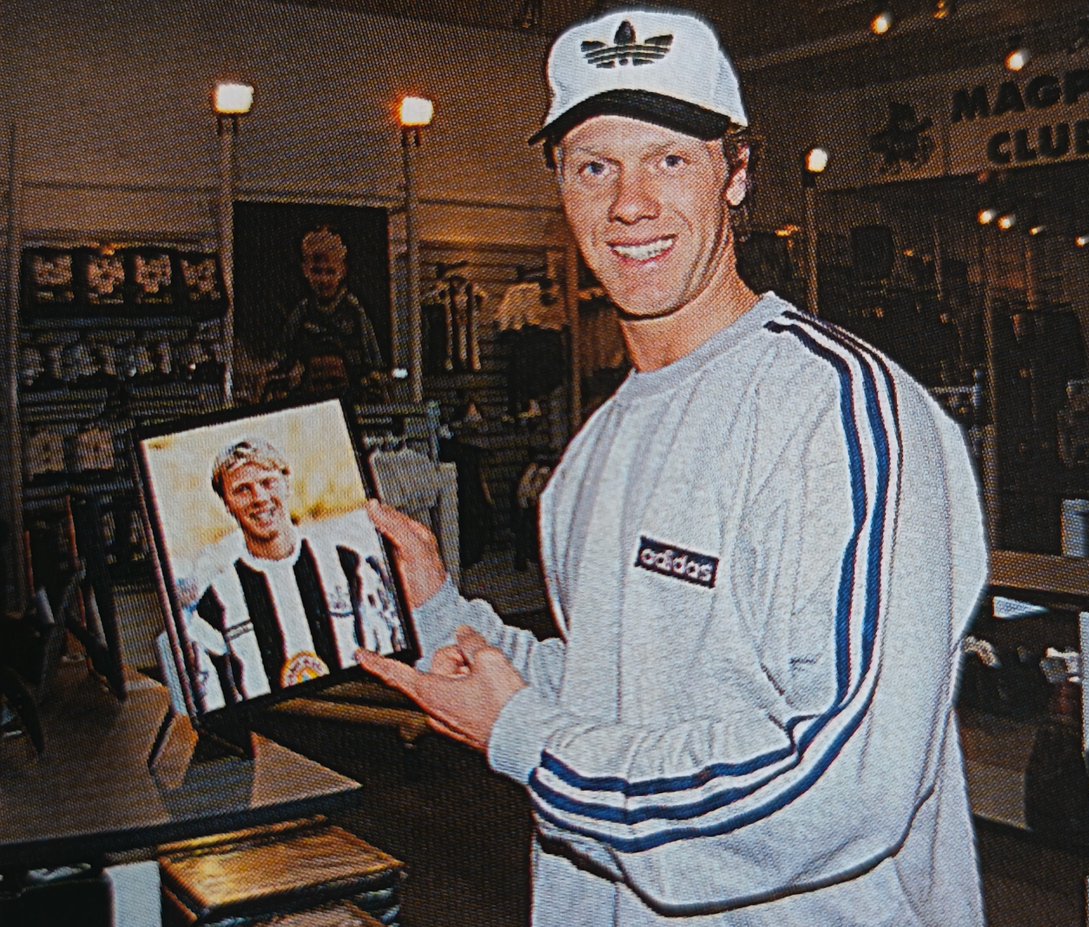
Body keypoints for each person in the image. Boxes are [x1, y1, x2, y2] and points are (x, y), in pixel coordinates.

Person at [358, 8, 988, 924]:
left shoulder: (841, 413)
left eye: (669, 160)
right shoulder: (592, 455)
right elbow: (618, 693)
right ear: (562, 187)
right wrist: (440, 611)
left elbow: (846, 779)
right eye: (594, 166)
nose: (629, 204)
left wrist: (528, 742)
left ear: (737, 174)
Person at [187, 437, 403, 708]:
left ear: (286, 483)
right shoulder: (215, 602)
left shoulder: (350, 565)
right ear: (227, 503)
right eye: (242, 490)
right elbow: (214, 704)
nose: (259, 498)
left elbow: (389, 656)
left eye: (267, 482)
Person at [276, 227, 384, 397]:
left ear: (342, 270)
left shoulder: (355, 312)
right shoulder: (302, 312)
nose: (324, 280)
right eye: (317, 271)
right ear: (305, 270)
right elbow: (282, 357)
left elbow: (373, 364)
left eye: (330, 271)